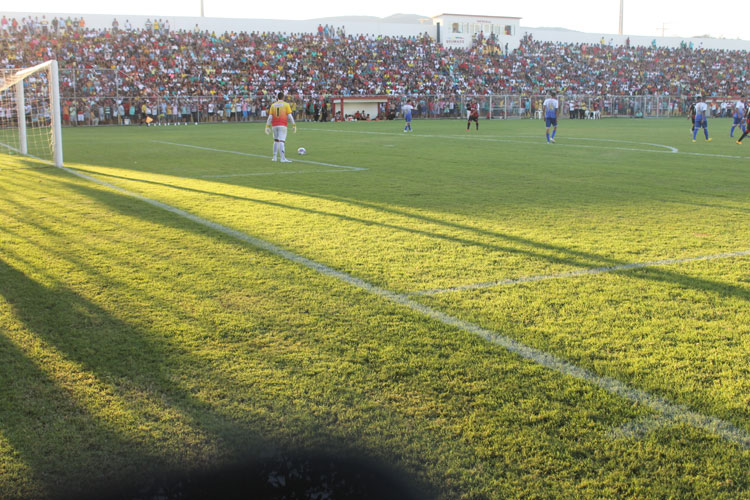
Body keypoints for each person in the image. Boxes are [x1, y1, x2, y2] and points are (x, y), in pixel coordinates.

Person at [265, 91, 296, 162]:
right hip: (282, 125)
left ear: (277, 97)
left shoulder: (273, 105)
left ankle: (274, 157)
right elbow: (290, 116)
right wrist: (293, 125)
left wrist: (267, 126)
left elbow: (270, 117)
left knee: (276, 140)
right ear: (283, 97)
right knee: (282, 141)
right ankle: (282, 158)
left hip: (274, 125)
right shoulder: (286, 105)